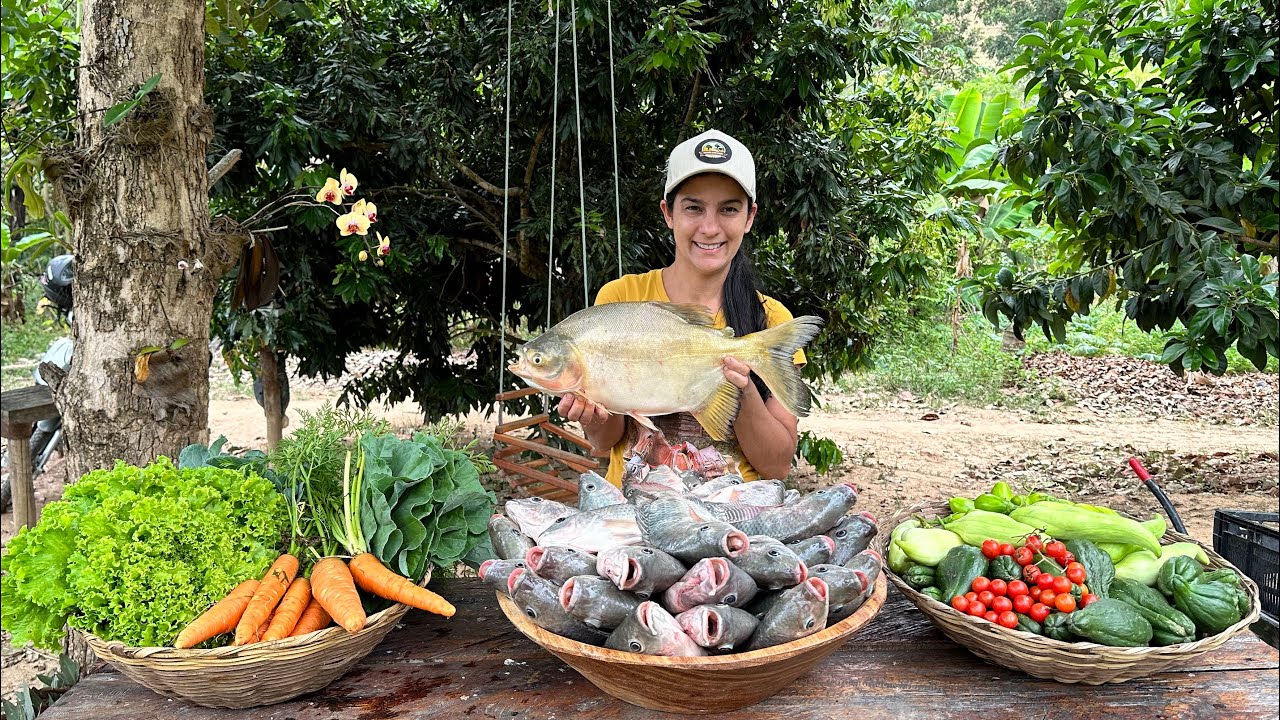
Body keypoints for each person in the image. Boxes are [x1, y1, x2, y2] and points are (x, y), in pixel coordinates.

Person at [557, 129, 806, 487]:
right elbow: (604, 441)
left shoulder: (770, 319)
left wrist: (742, 387)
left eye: (728, 209)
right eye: (693, 207)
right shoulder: (621, 298)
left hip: (728, 520)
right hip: (632, 513)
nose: (709, 227)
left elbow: (777, 466)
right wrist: (591, 415)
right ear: (668, 213)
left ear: (749, 217)